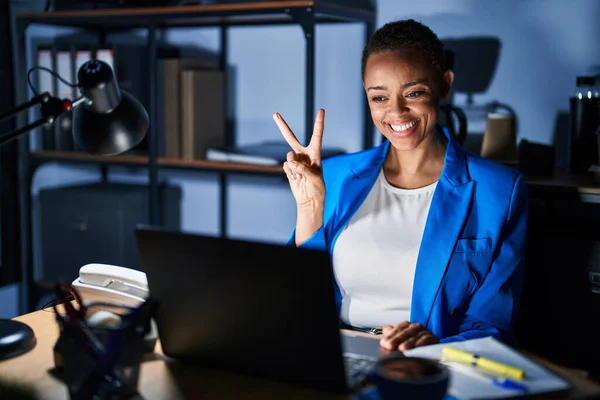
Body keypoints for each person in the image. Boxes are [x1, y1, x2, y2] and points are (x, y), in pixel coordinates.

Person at [273, 19, 528, 352]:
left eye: (414, 93)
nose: (396, 112)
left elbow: (494, 325)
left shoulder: (500, 190)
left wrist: (434, 344)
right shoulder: (332, 176)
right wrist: (309, 208)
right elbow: (299, 300)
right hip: (333, 352)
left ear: (445, 84)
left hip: (431, 361)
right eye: (379, 98)